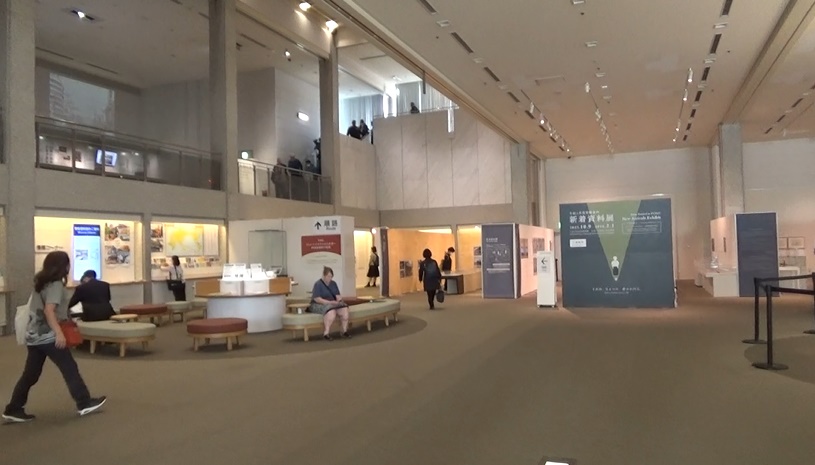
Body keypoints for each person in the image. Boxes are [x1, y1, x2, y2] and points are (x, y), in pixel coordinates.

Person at [3, 251, 106, 423]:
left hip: (33, 334)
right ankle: (84, 402)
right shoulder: (56, 285)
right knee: (69, 368)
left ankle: (14, 408)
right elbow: (49, 310)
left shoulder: (41, 282)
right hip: (48, 335)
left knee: (31, 374)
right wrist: (59, 333)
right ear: (63, 266)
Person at [309, 267, 351, 340]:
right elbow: (317, 299)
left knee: (345, 310)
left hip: (332, 303)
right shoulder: (318, 284)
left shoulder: (333, 283)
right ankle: (326, 333)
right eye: (328, 276)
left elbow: (337, 295)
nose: (330, 278)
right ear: (324, 275)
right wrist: (329, 302)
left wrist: (339, 300)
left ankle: (344, 331)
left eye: (331, 276)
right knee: (331, 312)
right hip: (320, 304)